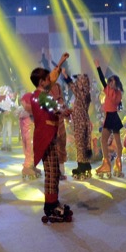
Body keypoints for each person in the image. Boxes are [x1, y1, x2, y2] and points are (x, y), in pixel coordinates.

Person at [30, 52, 73, 223]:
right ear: (42, 82)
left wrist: (60, 62)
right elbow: (54, 108)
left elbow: (53, 80)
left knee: (54, 171)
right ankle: (50, 205)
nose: (51, 81)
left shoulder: (42, 94)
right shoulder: (39, 96)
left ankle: (53, 201)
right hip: (45, 139)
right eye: (47, 79)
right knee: (51, 172)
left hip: (50, 137)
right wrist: (64, 111)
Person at [94, 59, 124, 178]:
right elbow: (103, 80)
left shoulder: (112, 91)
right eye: (109, 81)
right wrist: (98, 67)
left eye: (111, 81)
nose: (109, 83)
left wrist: (98, 67)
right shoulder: (117, 92)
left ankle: (107, 163)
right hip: (113, 116)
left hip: (111, 116)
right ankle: (117, 163)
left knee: (104, 140)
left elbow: (102, 80)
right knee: (115, 141)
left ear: (115, 82)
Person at [64, 71, 93, 179]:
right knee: (84, 143)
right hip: (82, 120)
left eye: (78, 81)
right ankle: (86, 164)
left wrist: (65, 75)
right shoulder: (86, 93)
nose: (76, 83)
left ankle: (81, 166)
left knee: (80, 143)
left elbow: (73, 87)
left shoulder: (82, 93)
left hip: (80, 121)